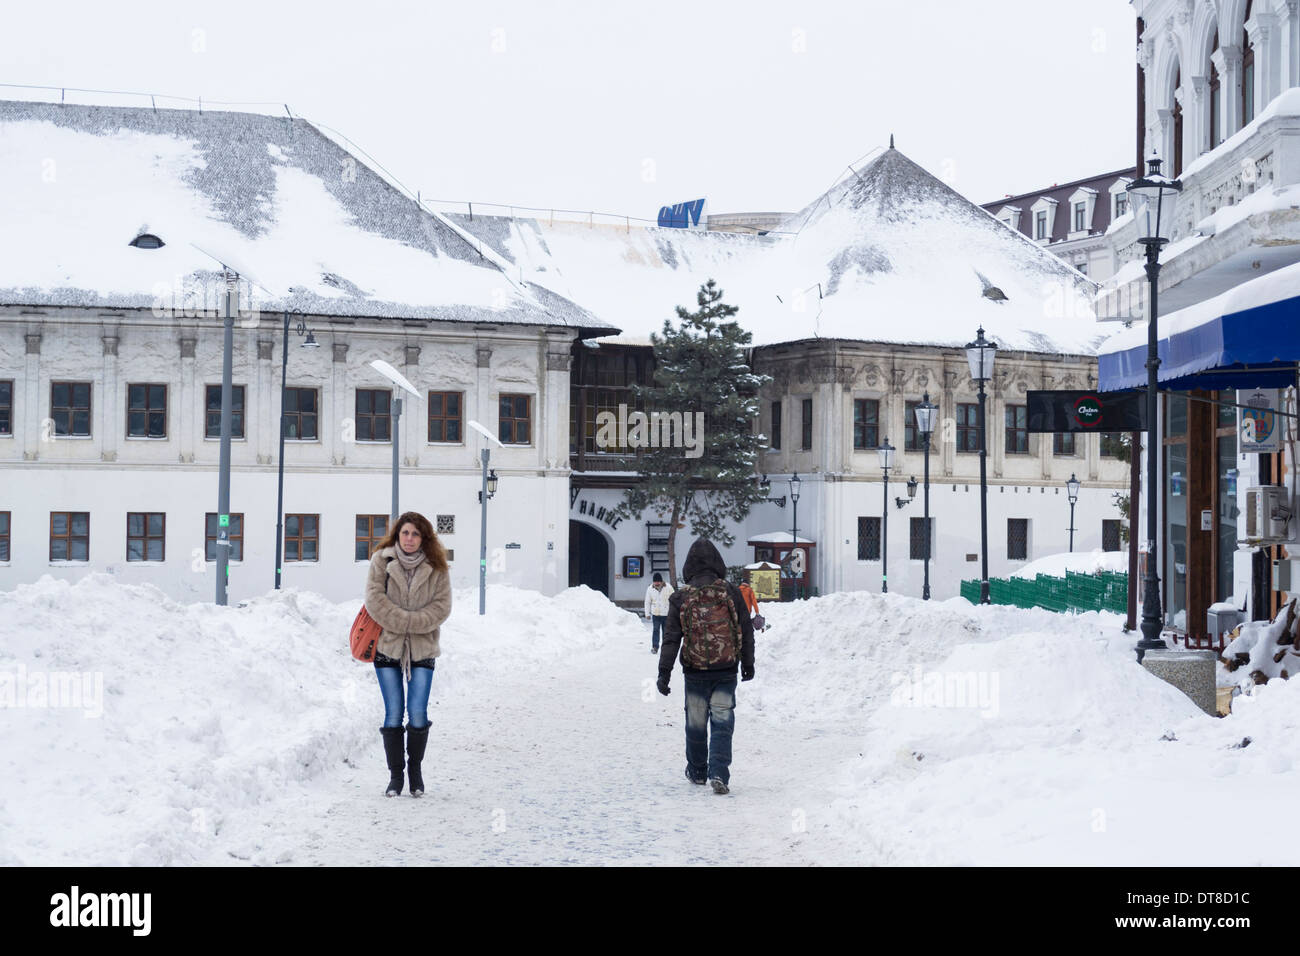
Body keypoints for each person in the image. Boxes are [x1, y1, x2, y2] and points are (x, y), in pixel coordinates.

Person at [656, 538, 755, 795]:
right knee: (722, 720)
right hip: (726, 670)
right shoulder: (731, 592)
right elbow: (745, 628)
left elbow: (671, 639)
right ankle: (719, 771)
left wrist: (663, 674)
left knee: (696, 721)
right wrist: (748, 663)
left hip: (695, 671)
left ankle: (698, 771)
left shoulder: (681, 597)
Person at [364, 511, 452, 798]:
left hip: (423, 646)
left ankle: (415, 770)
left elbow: (442, 607)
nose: (410, 539)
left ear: (423, 537)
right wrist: (404, 621)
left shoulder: (436, 566)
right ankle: (395, 776)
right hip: (387, 645)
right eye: (405, 533)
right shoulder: (382, 561)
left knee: (417, 712)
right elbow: (374, 600)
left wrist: (413, 624)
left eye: (415, 534)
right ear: (397, 535)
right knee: (393, 713)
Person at [644, 572, 674, 653]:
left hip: (666, 614)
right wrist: (647, 613)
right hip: (656, 614)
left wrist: (673, 612)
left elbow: (674, 599)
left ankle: (665, 648)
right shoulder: (650, 588)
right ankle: (655, 647)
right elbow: (647, 602)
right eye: (655, 582)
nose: (656, 583)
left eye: (658, 582)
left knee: (666, 632)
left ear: (661, 581)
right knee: (656, 630)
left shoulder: (668, 587)